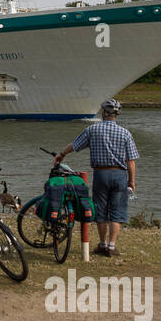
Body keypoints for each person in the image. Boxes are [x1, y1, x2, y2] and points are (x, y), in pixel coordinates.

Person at [53, 98, 139, 257]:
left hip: (100, 173)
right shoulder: (125, 133)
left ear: (104, 112)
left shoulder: (93, 130)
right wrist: (131, 181)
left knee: (101, 209)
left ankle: (102, 244)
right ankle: (112, 247)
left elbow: (75, 145)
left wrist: (61, 154)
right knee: (117, 212)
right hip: (120, 174)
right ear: (117, 114)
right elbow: (131, 161)